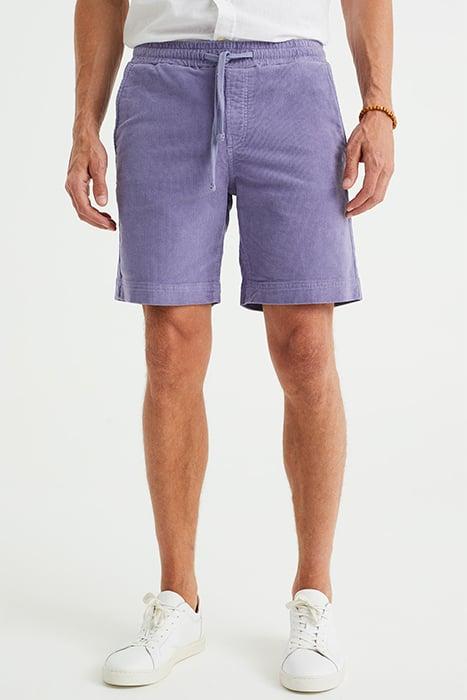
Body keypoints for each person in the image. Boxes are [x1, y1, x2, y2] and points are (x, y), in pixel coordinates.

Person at [65, 0, 395, 692]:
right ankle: (177, 600)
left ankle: (314, 596)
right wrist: (83, 124)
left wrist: (378, 108)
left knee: (306, 346)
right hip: (162, 85)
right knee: (170, 345)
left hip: (292, 84)